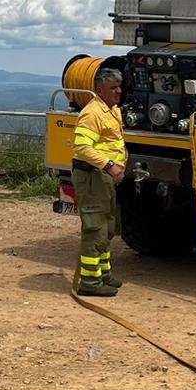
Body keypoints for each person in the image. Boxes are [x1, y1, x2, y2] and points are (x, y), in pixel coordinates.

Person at [73, 66, 128, 297]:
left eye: (119, 86)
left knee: (108, 227)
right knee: (95, 228)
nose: (118, 91)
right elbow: (82, 147)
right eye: (113, 87)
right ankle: (90, 282)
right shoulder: (93, 112)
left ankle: (103, 274)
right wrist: (109, 165)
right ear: (99, 90)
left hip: (104, 178)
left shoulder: (111, 110)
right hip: (93, 176)